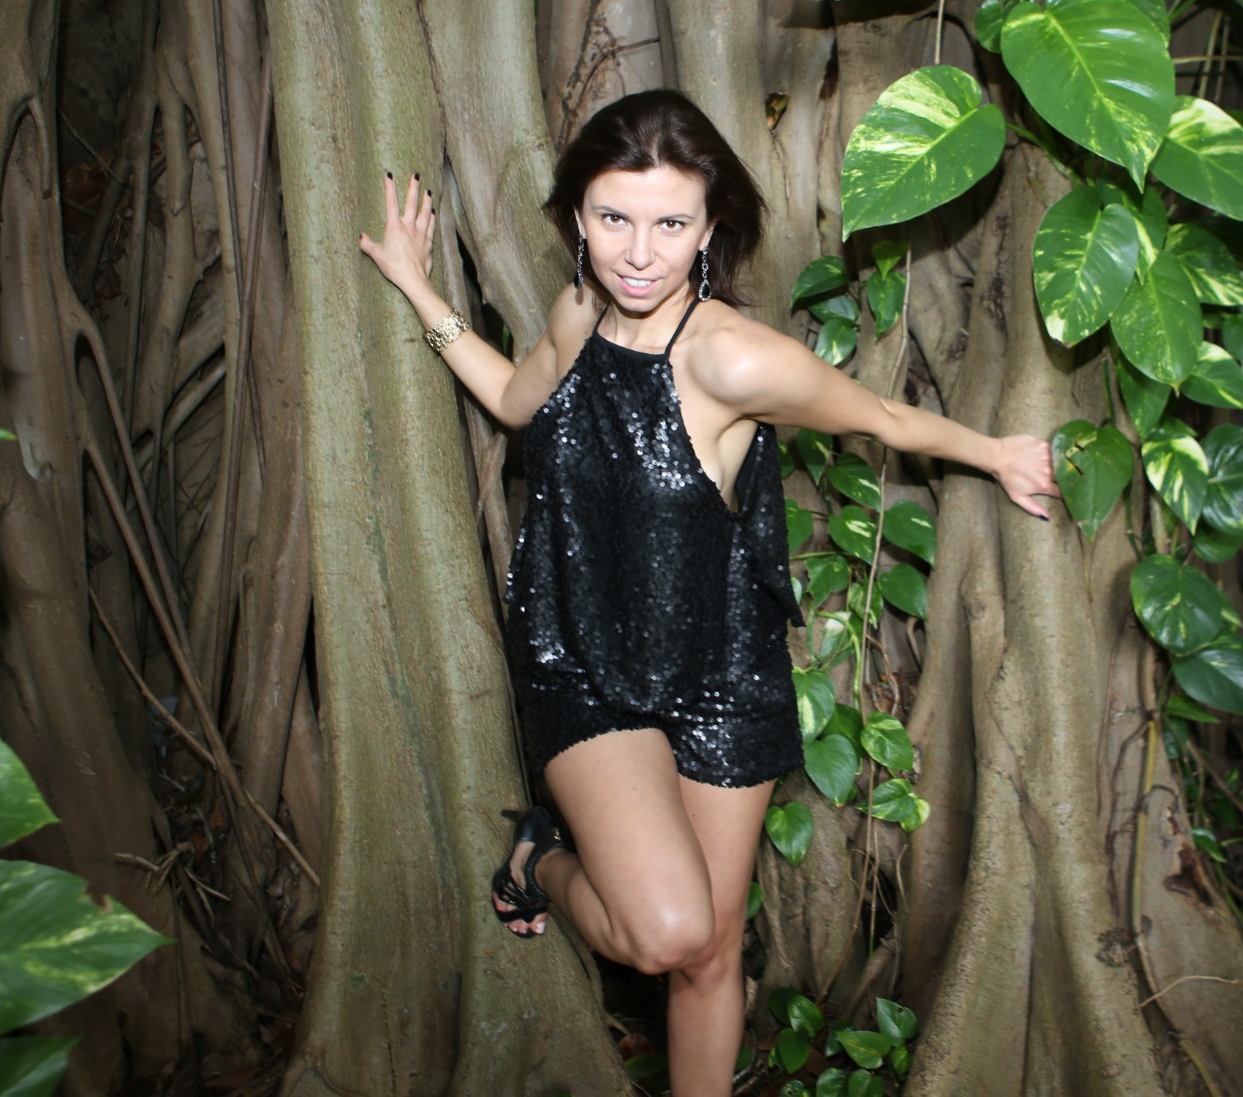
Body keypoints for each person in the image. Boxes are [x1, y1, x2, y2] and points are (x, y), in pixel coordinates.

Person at [358, 90, 1056, 1096]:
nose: (638, 253)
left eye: (670, 223)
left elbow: (882, 418)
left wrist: (997, 453)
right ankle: (536, 861)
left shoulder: (731, 357)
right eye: (613, 217)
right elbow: (515, 397)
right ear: (577, 215)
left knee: (711, 950)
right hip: (582, 659)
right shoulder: (579, 310)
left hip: (722, 673)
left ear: (709, 226)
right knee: (667, 930)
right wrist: (420, 290)